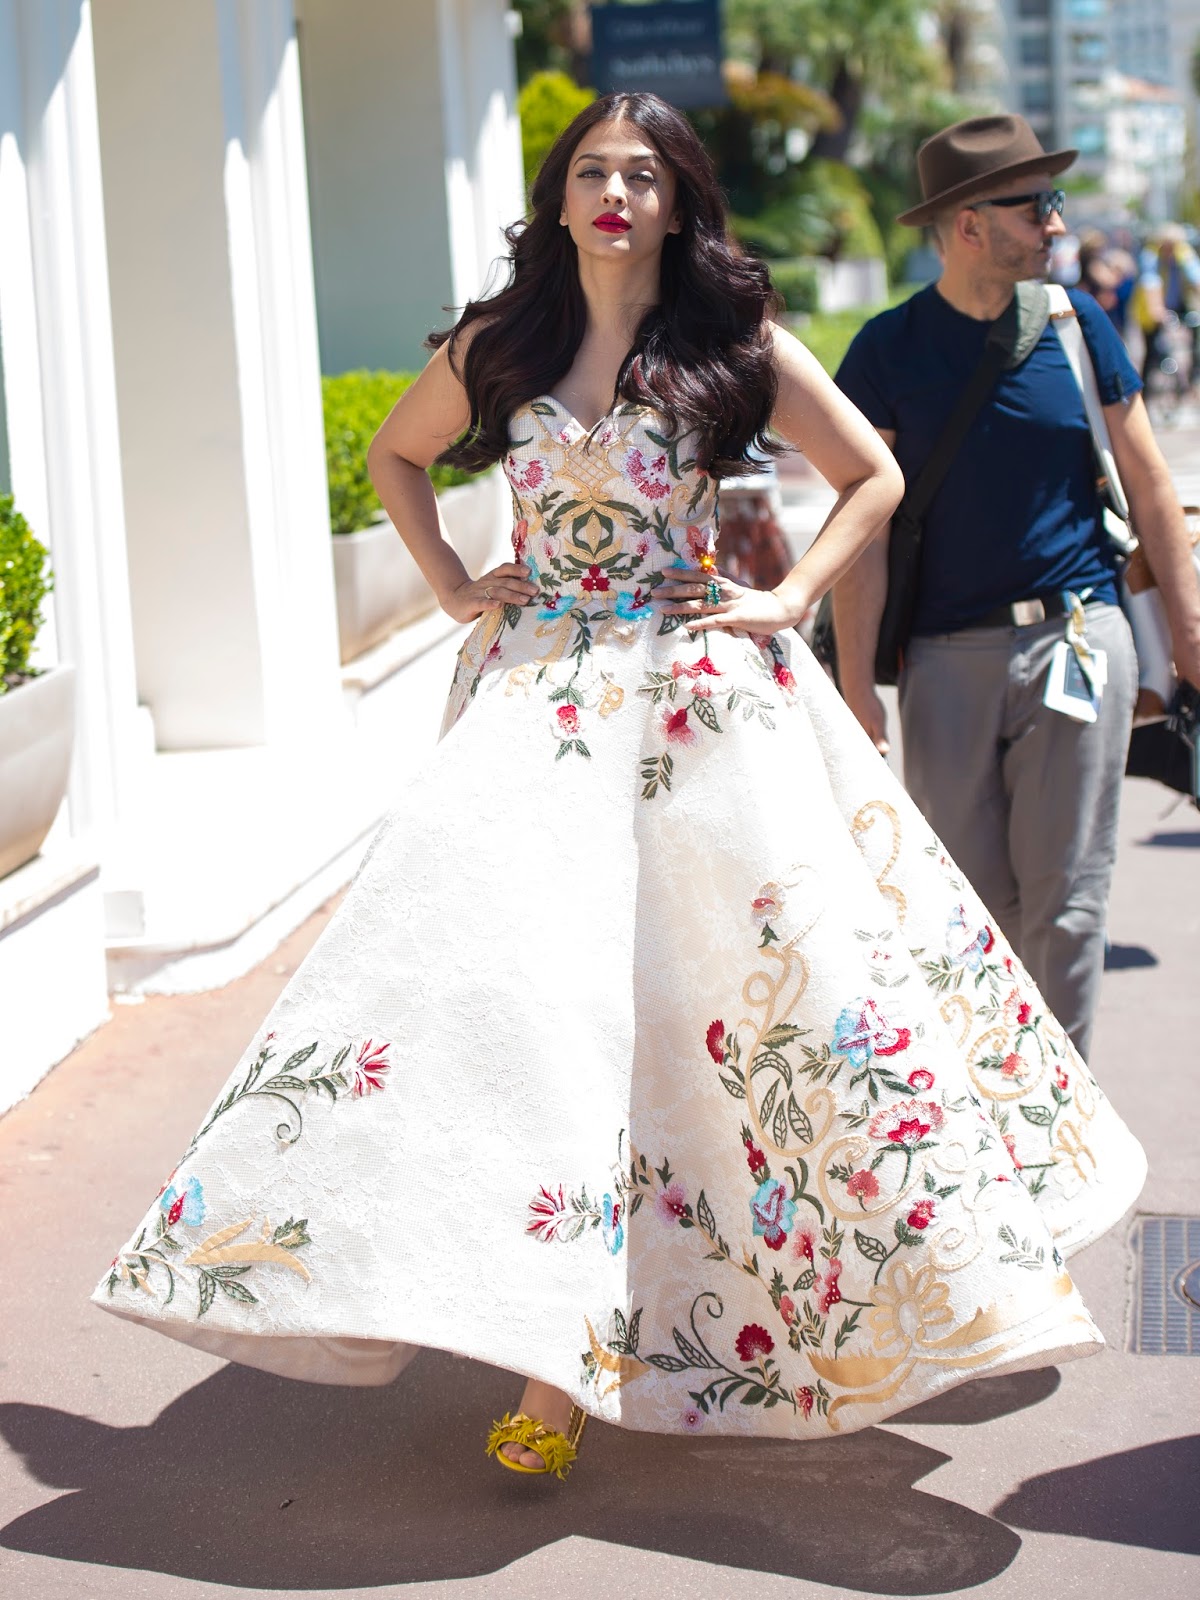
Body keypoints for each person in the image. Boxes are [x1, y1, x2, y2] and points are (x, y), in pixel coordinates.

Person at [94, 95, 1146, 1481]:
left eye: (640, 175)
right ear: (565, 193)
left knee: (723, 1012)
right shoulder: (501, 343)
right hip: (530, 710)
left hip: (698, 710)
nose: (612, 193)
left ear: (675, 202)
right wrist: (456, 583)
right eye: (591, 171)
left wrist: (791, 601)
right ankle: (555, 1347)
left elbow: (872, 475)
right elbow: (394, 456)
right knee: (530, 1016)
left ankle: (648, 1332)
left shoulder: (731, 344)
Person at [833, 114, 1200, 1063]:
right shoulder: (884, 352)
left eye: (1053, 203)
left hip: (1081, 638)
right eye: (1035, 207)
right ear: (966, 225)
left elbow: (1151, 479)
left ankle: (1061, 1115)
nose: (1055, 224)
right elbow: (861, 529)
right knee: (965, 904)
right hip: (946, 660)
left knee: (1070, 900)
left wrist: (1191, 631)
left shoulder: (1079, 327)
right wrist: (856, 691)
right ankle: (993, 1109)